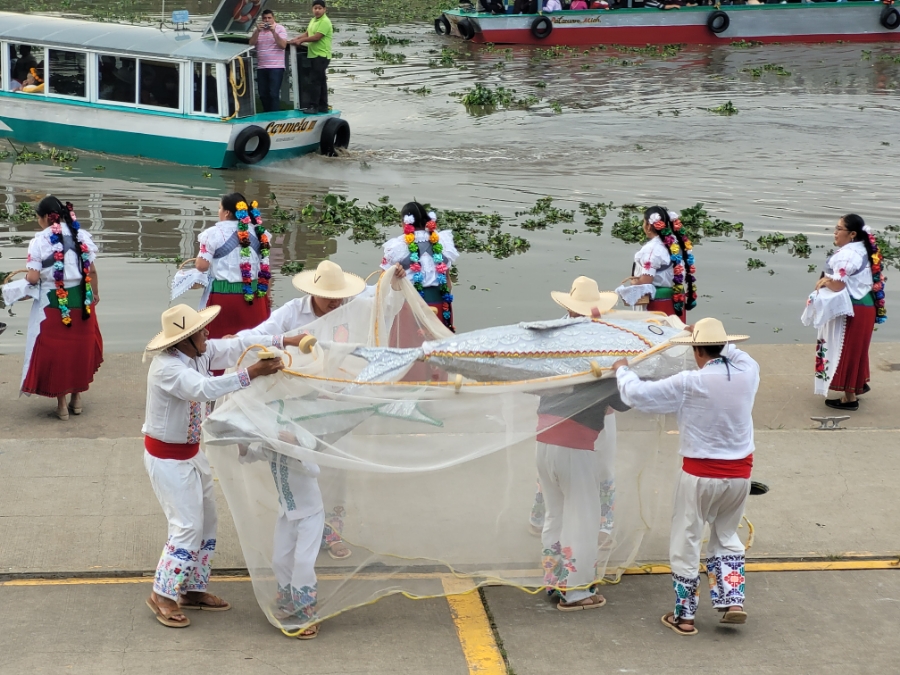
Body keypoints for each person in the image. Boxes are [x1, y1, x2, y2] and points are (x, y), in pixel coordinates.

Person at [142, 303, 309, 628]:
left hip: (190, 453)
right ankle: (162, 594)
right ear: (184, 340)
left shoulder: (197, 353)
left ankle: (191, 589)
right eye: (201, 331)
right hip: (166, 459)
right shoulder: (168, 369)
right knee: (187, 526)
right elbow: (203, 389)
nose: (208, 333)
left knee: (206, 522)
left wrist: (285, 341)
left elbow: (236, 345)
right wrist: (251, 374)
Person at [237, 259, 408, 560]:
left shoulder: (352, 306)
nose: (334, 302)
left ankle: (332, 531)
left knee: (334, 466)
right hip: (299, 398)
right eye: (328, 296)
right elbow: (261, 334)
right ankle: (302, 529)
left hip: (337, 396)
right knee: (301, 465)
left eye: (338, 295)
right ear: (313, 292)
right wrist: (234, 342)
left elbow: (384, 305)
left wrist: (393, 284)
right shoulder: (293, 312)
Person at [612, 317, 758, 636]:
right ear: (723, 345)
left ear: (696, 352)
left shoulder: (691, 382)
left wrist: (622, 369)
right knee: (727, 536)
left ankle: (685, 615)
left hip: (700, 475)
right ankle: (732, 601)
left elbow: (638, 395)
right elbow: (735, 353)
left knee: (686, 539)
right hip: (740, 475)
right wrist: (709, 336)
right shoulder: (748, 372)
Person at [535, 279, 628, 611]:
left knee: (555, 515)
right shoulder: (599, 347)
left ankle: (554, 580)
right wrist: (624, 372)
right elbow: (623, 401)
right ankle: (577, 592)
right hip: (574, 445)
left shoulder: (554, 342)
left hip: (543, 439)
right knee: (584, 518)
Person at [239, 426, 324, 639]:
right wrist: (240, 439)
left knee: (304, 562)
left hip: (310, 514)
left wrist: (294, 445)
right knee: (279, 560)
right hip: (287, 513)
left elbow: (314, 470)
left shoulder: (300, 442)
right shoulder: (269, 445)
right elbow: (248, 455)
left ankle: (306, 613)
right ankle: (289, 604)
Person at [21, 197, 102, 420]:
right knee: (79, 352)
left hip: (55, 303)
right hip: (82, 301)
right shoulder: (81, 236)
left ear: (46, 217)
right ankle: (77, 399)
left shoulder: (39, 241)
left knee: (59, 355)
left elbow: (33, 277)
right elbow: (92, 271)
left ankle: (62, 405)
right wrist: (94, 294)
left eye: (38, 218)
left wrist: (22, 282)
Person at [812, 214, 886, 411]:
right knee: (858, 350)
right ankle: (858, 384)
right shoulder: (863, 248)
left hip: (853, 308)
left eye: (839, 229)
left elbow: (837, 285)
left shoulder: (848, 254)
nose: (835, 233)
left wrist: (826, 281)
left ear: (852, 234)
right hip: (866, 305)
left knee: (847, 351)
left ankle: (850, 397)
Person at [194, 193, 272, 339]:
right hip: (254, 298)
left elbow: (201, 266)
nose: (218, 212)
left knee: (217, 346)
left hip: (223, 299)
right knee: (253, 344)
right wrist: (268, 295)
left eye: (219, 208)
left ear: (227, 213)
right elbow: (266, 269)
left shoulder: (213, 234)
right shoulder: (260, 233)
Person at [380, 202, 459, 332]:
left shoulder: (397, 246)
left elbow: (383, 282)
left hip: (411, 306)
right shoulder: (442, 242)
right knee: (436, 346)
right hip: (440, 304)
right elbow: (448, 283)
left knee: (408, 347)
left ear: (405, 223)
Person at [623, 207, 696, 321]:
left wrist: (634, 284)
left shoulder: (652, 250)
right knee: (676, 333)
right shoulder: (678, 243)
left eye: (644, 222)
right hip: (675, 299)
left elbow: (646, 282)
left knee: (654, 335)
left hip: (656, 304)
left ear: (648, 225)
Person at [290, 0, 333, 114]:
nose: (317, 10)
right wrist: (297, 39)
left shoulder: (325, 21)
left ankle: (314, 107)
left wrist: (301, 41)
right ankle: (323, 106)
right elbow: (308, 33)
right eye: (315, 8)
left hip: (321, 55)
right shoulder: (314, 20)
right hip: (314, 54)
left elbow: (316, 37)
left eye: (319, 8)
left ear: (324, 9)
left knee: (315, 81)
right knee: (321, 81)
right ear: (312, 9)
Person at [250, 9, 288, 113]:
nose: (267, 20)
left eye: (269, 18)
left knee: (273, 94)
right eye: (265, 18)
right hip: (262, 67)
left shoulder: (280, 29)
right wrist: (257, 31)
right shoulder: (258, 30)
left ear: (273, 18)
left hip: (276, 67)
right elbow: (251, 44)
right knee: (263, 94)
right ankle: (267, 114)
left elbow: (283, 45)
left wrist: (273, 32)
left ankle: (275, 116)